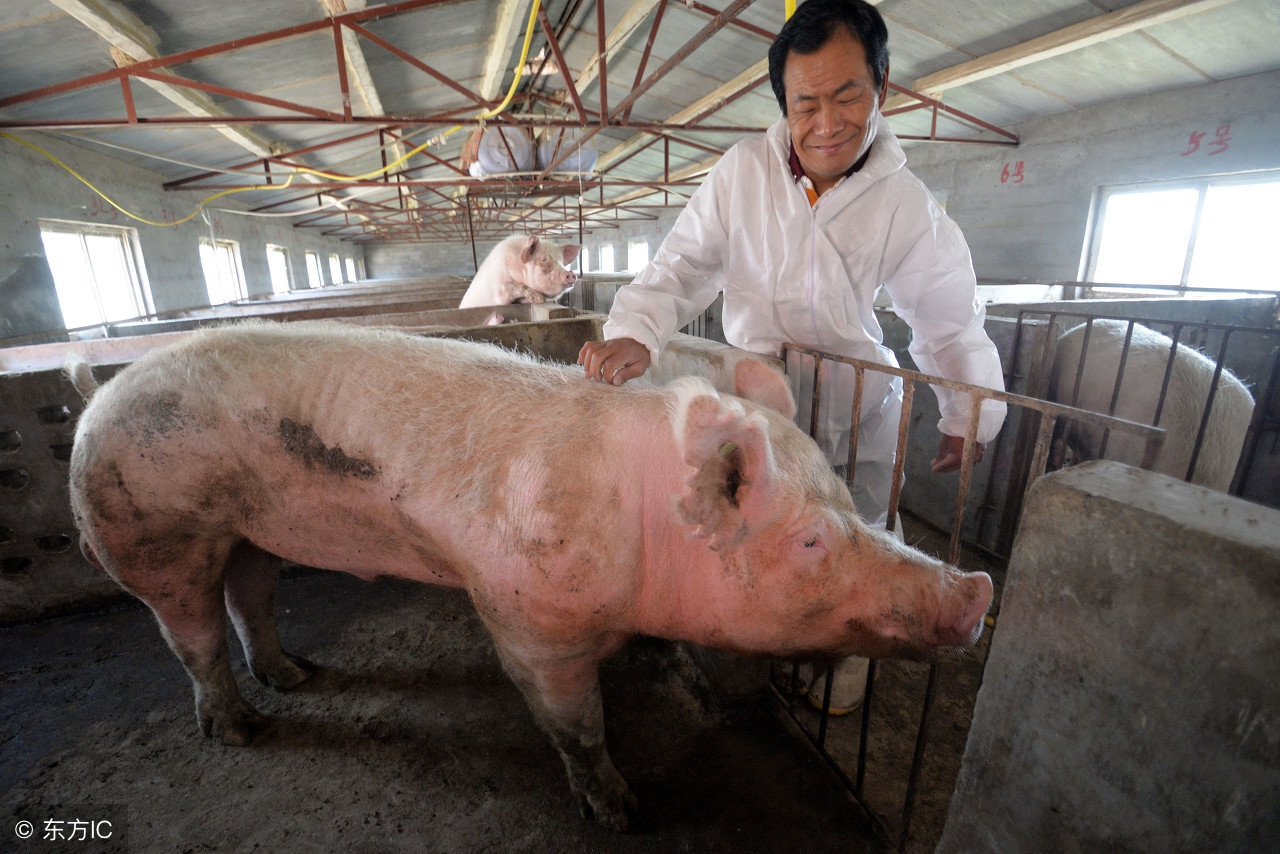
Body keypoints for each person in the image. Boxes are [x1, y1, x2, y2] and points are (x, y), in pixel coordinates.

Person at [578, 0, 1006, 712]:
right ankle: (777, 633)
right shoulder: (742, 172)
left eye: (848, 95)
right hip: (762, 398)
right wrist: (638, 328)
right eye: (806, 102)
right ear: (784, 102)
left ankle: (848, 656)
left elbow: (946, 311)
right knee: (769, 529)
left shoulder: (903, 201)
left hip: (854, 396)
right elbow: (682, 265)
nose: (827, 122)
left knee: (864, 529)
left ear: (883, 86)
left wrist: (967, 411)